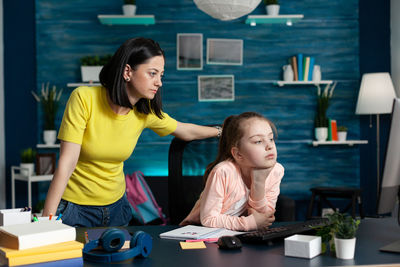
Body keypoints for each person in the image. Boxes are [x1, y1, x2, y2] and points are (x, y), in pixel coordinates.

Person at [42, 37, 221, 227]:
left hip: (117, 209)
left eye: (161, 75)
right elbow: (67, 162)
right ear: (128, 71)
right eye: (152, 73)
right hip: (75, 209)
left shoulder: (144, 113)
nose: (159, 82)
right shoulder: (84, 98)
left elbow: (185, 131)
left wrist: (222, 131)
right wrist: (46, 221)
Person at [180, 112, 284, 231]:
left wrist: (258, 183)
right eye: (258, 141)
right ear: (238, 154)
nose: (269, 146)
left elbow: (263, 218)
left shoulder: (276, 170)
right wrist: (249, 223)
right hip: (199, 232)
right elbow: (208, 219)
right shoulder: (223, 172)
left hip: (239, 233)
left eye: (271, 139)